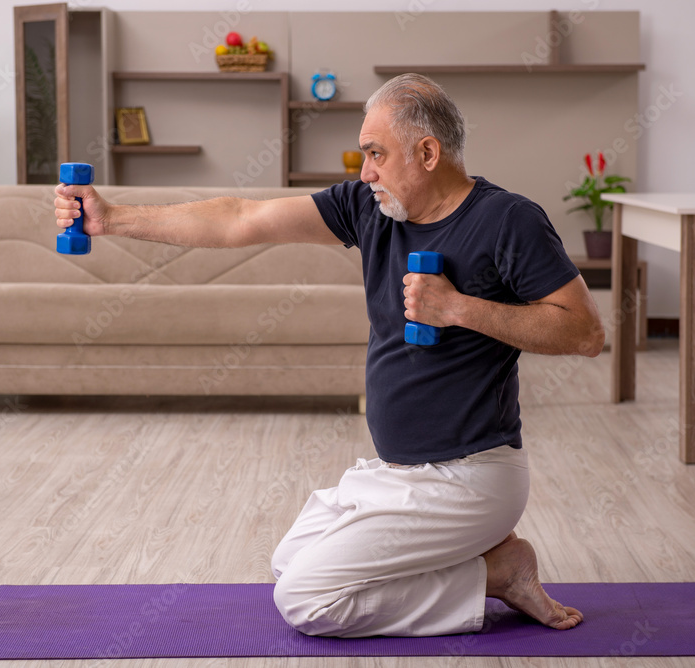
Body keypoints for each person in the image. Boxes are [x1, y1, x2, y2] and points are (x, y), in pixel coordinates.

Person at [55, 73, 604, 638]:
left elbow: (585, 333)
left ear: (427, 152)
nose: (364, 171)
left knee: (306, 600)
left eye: (375, 154)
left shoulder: (506, 219)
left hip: (470, 479)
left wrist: (460, 308)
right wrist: (113, 218)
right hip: (397, 474)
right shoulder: (369, 209)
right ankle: (492, 568)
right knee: (288, 565)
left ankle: (497, 572)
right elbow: (240, 218)